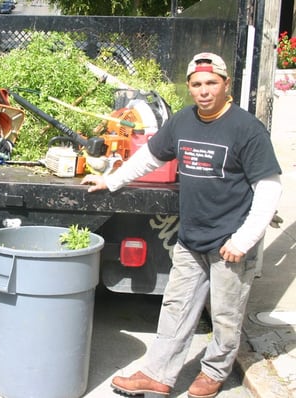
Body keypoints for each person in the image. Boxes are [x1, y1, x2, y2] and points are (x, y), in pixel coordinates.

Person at [81, 52, 282, 398]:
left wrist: (244, 240)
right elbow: (150, 157)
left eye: (211, 83)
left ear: (225, 85)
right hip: (192, 238)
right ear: (189, 87)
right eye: (197, 84)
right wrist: (111, 181)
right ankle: (159, 373)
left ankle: (214, 372)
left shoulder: (246, 129)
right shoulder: (182, 122)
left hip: (230, 244)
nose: (204, 91)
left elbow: (270, 187)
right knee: (176, 307)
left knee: (225, 314)